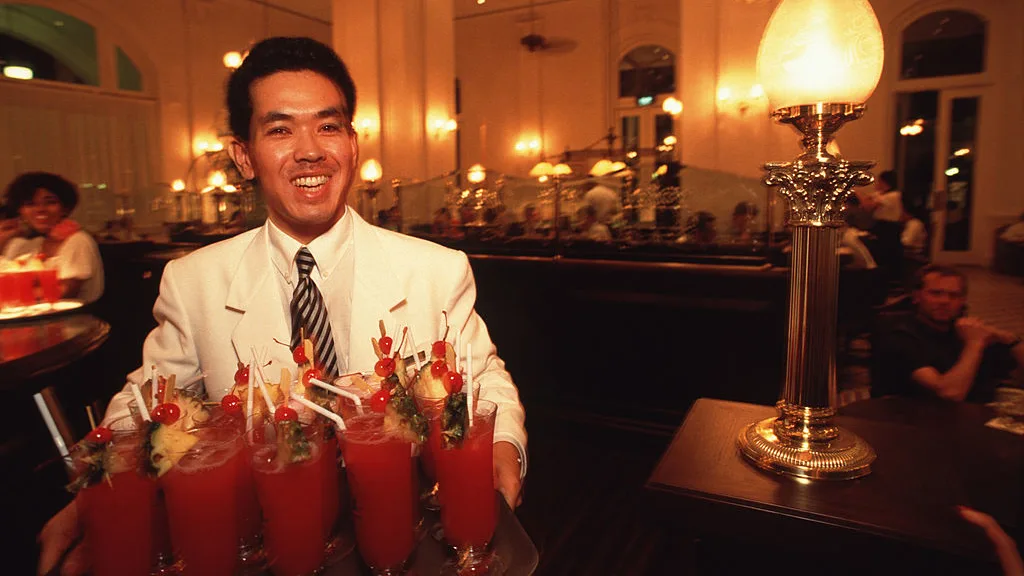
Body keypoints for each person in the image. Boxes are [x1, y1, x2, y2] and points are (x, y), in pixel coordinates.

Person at [38, 36, 527, 575]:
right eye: (279, 129)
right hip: (268, 540)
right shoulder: (192, 281)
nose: (310, 149)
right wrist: (99, 496)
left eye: (328, 125)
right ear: (243, 157)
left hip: (406, 530)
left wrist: (504, 447)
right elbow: (147, 399)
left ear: (353, 144)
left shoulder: (437, 269)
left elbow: (481, 376)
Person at [872, 265, 1023, 402]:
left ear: (962, 301)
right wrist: (974, 344)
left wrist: (1009, 340)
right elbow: (950, 393)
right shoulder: (900, 334)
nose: (944, 301)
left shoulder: (964, 330)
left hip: (971, 419)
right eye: (936, 293)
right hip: (910, 421)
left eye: (954, 296)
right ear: (917, 296)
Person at [1, 172, 104, 303]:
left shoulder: (77, 240)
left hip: (73, 319)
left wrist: (10, 292)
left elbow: (65, 292)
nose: (40, 209)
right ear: (19, 211)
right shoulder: (24, 245)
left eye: (50, 202)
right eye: (30, 204)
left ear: (65, 208)